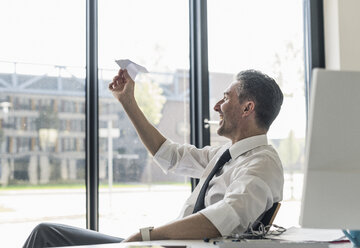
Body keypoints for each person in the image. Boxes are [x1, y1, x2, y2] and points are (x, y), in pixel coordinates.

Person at [23, 68, 284, 247]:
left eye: (226, 98)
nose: (217, 106)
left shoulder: (262, 164)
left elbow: (225, 218)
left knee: (45, 237)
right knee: (46, 234)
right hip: (161, 245)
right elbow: (168, 155)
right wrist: (128, 103)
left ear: (248, 107)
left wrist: (146, 235)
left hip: (165, 246)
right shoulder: (224, 156)